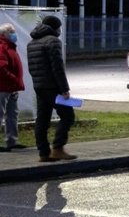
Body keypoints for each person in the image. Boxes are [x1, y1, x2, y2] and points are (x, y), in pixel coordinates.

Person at [26, 15, 76, 162]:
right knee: (68, 115)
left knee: (42, 119)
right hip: (52, 87)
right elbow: (57, 68)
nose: (60, 30)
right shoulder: (53, 41)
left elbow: (32, 68)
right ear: (55, 27)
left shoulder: (32, 42)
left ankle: (43, 152)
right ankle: (58, 148)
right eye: (59, 27)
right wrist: (64, 89)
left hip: (39, 86)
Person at [0, 23, 27, 152]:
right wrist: (13, 78)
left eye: (14, 31)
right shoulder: (2, 47)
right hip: (3, 87)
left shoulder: (10, 47)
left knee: (12, 115)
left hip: (11, 87)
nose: (14, 33)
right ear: (3, 34)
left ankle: (11, 141)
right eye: (11, 31)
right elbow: (1, 67)